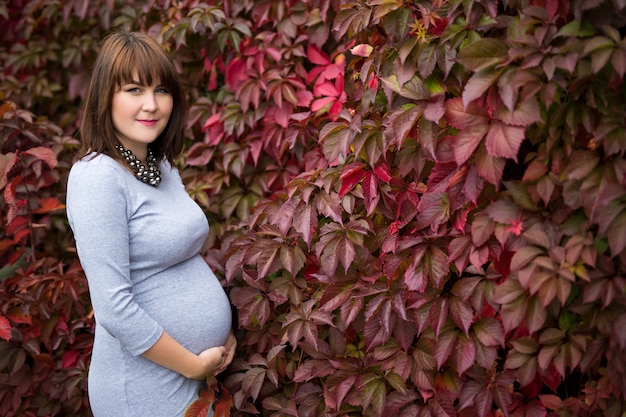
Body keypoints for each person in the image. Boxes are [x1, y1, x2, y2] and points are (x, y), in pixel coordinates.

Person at [66, 29, 236, 417]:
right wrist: (195, 364)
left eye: (161, 90)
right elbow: (113, 308)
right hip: (144, 390)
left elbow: (181, 258)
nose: (151, 105)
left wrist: (223, 334)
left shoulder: (161, 167)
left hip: (196, 380)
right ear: (105, 96)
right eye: (134, 90)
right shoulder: (97, 177)